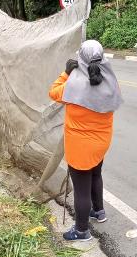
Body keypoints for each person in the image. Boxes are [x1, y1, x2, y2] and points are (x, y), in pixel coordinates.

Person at [49, 39, 123, 242]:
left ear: (80, 58)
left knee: (81, 189)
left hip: (80, 145)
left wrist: (65, 73)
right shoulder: (111, 81)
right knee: (96, 174)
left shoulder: (73, 84)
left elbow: (53, 92)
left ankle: (81, 231)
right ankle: (98, 211)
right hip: (101, 142)